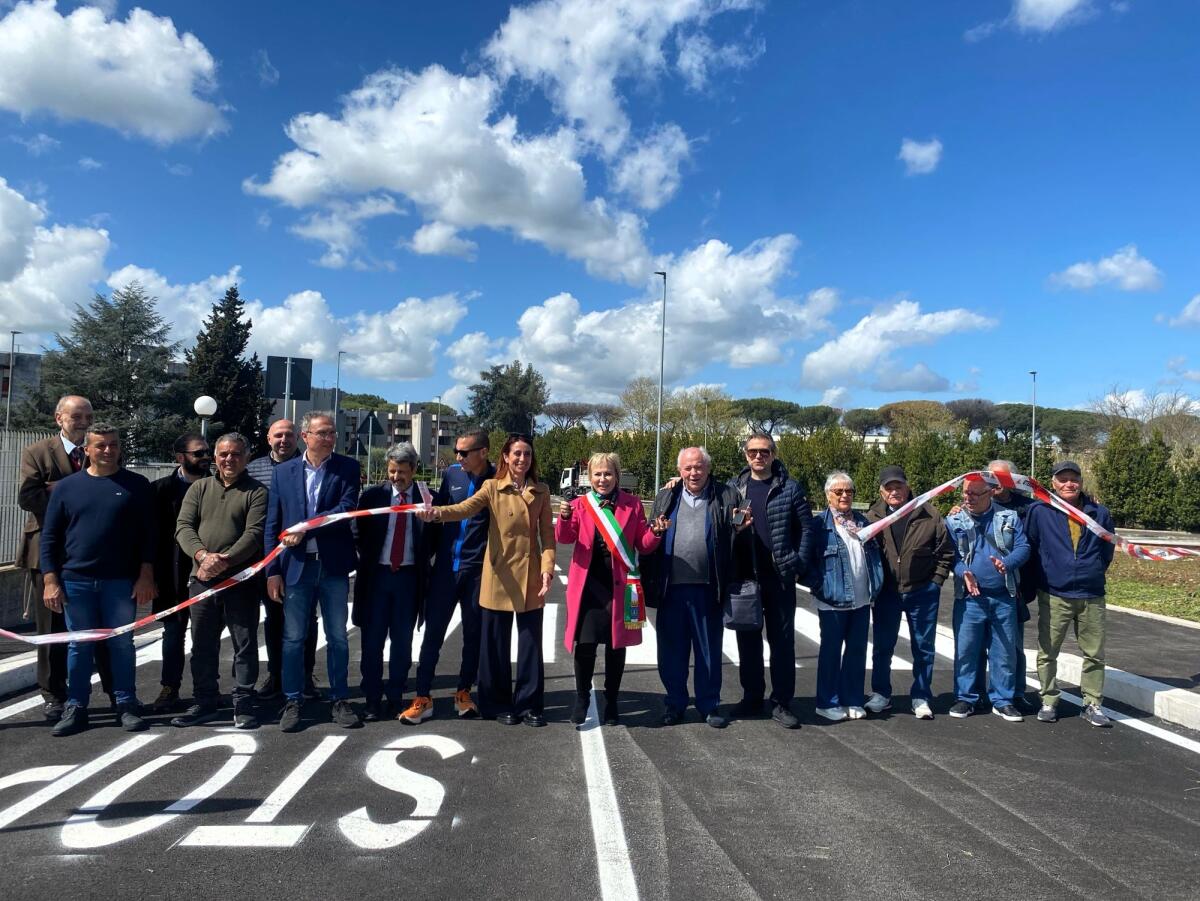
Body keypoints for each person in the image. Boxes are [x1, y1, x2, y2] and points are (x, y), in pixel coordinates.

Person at [418, 434, 554, 726]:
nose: (521, 459)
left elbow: (548, 538)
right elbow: (464, 509)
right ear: (505, 456)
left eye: (527, 454)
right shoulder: (491, 487)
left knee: (530, 644)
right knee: (494, 645)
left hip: (530, 576)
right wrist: (436, 514)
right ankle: (496, 704)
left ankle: (529, 705)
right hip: (497, 576)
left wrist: (548, 569)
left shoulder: (541, 491)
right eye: (516, 453)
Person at [39, 423, 156, 737]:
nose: (108, 450)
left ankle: (126, 703)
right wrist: (51, 579)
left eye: (113, 445)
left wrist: (146, 575)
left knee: (121, 645)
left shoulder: (137, 485)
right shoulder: (66, 488)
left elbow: (149, 536)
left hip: (120, 582)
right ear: (87, 450)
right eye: (101, 446)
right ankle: (76, 706)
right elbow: (49, 538)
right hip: (76, 582)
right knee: (79, 646)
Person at [16, 394, 115, 721]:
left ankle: (114, 691)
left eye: (88, 416)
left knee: (99, 629)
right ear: (59, 418)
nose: (84, 422)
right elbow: (28, 496)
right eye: (77, 417)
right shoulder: (37, 452)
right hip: (47, 552)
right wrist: (74, 490)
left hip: (92, 553)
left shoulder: (99, 451)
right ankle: (54, 695)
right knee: (52, 630)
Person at [265, 411, 362, 732]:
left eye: (333, 433)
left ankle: (339, 699)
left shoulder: (347, 467)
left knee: (337, 637)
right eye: (323, 433)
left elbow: (346, 509)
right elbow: (272, 525)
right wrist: (272, 572)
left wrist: (306, 529)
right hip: (295, 568)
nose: (330, 438)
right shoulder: (284, 473)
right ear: (305, 436)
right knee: (293, 638)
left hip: (332, 567)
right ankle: (293, 700)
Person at [556, 452, 666, 726]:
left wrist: (657, 532)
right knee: (586, 645)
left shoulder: (633, 504)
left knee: (617, 646)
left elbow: (642, 542)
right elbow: (564, 538)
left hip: (620, 585)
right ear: (589, 478)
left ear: (617, 476)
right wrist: (566, 518)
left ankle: (612, 702)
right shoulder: (580, 504)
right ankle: (582, 699)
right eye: (597, 474)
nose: (602, 479)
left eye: (607, 473)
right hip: (589, 586)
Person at [640, 447, 743, 729]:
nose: (693, 473)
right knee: (671, 651)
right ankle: (675, 703)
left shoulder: (726, 495)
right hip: (671, 588)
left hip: (709, 588)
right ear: (679, 470)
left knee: (709, 650)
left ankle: (709, 705)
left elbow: (736, 533)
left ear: (708, 469)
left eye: (698, 467)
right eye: (687, 468)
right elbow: (651, 535)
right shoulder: (667, 495)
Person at [171, 433, 268, 729]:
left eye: (236, 454)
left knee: (244, 643)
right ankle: (204, 701)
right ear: (215, 456)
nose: (229, 459)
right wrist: (202, 556)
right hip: (201, 580)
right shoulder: (199, 488)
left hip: (241, 582)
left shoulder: (257, 492)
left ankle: (244, 700)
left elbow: (253, 535)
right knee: (202, 644)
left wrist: (221, 562)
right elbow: (183, 526)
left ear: (247, 457)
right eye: (223, 454)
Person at [401, 428, 494, 725]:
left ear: (483, 452)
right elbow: (438, 511)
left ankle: (464, 692)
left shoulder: (497, 480)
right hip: (444, 569)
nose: (457, 457)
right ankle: (423, 696)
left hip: (477, 570)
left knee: (473, 636)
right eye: (456, 451)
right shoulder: (453, 474)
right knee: (432, 635)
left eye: (464, 452)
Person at [728, 432, 813, 729]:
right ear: (745, 455)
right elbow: (722, 523)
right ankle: (752, 697)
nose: (758, 456)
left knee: (782, 642)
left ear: (774, 454)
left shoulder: (790, 488)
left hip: (779, 578)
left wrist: (797, 562)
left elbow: (807, 528)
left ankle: (781, 702)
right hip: (745, 578)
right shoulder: (733, 488)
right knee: (747, 641)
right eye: (753, 451)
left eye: (764, 451)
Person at [1025, 461, 1116, 727]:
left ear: (1081, 482)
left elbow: (1107, 550)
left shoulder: (1099, 513)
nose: (1068, 484)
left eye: (1073, 479)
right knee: (1047, 652)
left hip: (1092, 594)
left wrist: (1093, 570)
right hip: (1055, 593)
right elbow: (1030, 545)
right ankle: (1049, 700)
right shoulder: (1040, 511)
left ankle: (1092, 703)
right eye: (1062, 479)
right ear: (1053, 483)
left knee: (1095, 654)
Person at [864, 465, 954, 720]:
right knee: (883, 646)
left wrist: (936, 581)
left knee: (923, 647)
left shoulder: (929, 513)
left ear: (907, 487)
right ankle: (881, 693)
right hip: (887, 593)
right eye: (889, 488)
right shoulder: (872, 517)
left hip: (922, 591)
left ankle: (921, 696)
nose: (895, 491)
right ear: (882, 492)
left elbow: (945, 551)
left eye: (898, 486)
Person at [944, 476, 1030, 722]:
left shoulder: (1009, 518)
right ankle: (966, 697)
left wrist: (1007, 563)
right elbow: (950, 554)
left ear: (990, 493)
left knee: (1004, 652)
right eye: (965, 494)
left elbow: (1023, 547)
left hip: (1004, 596)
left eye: (974, 494)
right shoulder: (954, 520)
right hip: (969, 598)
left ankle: (1003, 699)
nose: (968, 499)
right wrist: (963, 572)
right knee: (967, 650)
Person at [353, 443, 428, 722]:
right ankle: (372, 699)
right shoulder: (373, 496)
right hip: (377, 578)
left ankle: (396, 696)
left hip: (408, 579)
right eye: (392, 471)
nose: (396, 477)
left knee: (402, 642)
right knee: (372, 643)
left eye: (402, 472)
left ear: (414, 470)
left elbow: (431, 539)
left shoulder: (426, 497)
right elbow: (357, 533)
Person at [247, 419, 318, 700]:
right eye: (278, 435)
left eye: (289, 435)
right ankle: (275, 674)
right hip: (269, 559)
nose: (284, 440)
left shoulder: (308, 467)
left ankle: (306, 674)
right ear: (268, 438)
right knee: (274, 618)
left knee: (307, 621)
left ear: (298, 437)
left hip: (303, 557)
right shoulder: (254, 469)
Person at [807, 471, 883, 722]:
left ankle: (852, 698)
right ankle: (826, 701)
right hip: (832, 601)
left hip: (861, 599)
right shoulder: (819, 527)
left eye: (848, 491)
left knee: (857, 650)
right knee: (831, 651)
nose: (844, 496)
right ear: (827, 495)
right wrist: (820, 586)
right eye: (838, 491)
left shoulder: (863, 522)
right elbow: (805, 562)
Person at [148, 433, 211, 714]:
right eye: (198, 453)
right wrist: (147, 575)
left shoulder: (218, 486)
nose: (205, 457)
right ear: (180, 457)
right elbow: (149, 537)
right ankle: (169, 687)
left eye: (207, 452)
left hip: (208, 575)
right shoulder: (159, 490)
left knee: (206, 636)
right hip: (170, 577)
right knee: (173, 634)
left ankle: (206, 690)